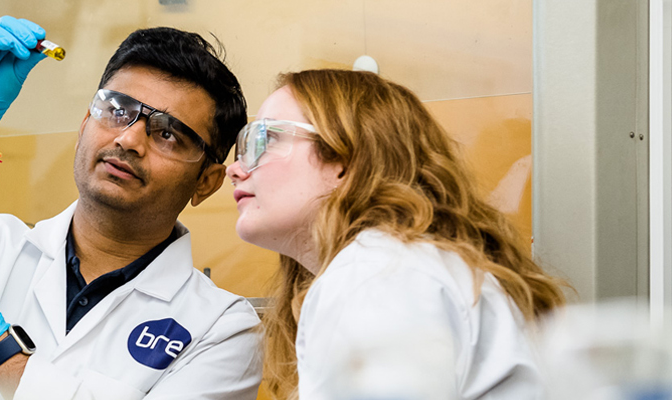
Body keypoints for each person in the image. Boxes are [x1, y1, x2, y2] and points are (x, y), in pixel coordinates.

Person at [0, 16, 262, 400]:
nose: (129, 140)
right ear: (85, 123)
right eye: (118, 111)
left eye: (168, 134)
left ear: (207, 182)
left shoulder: (221, 329)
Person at [224, 69, 567, 399]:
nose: (234, 169)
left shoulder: (376, 276)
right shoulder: (400, 268)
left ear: (344, 157)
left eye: (263, 140)